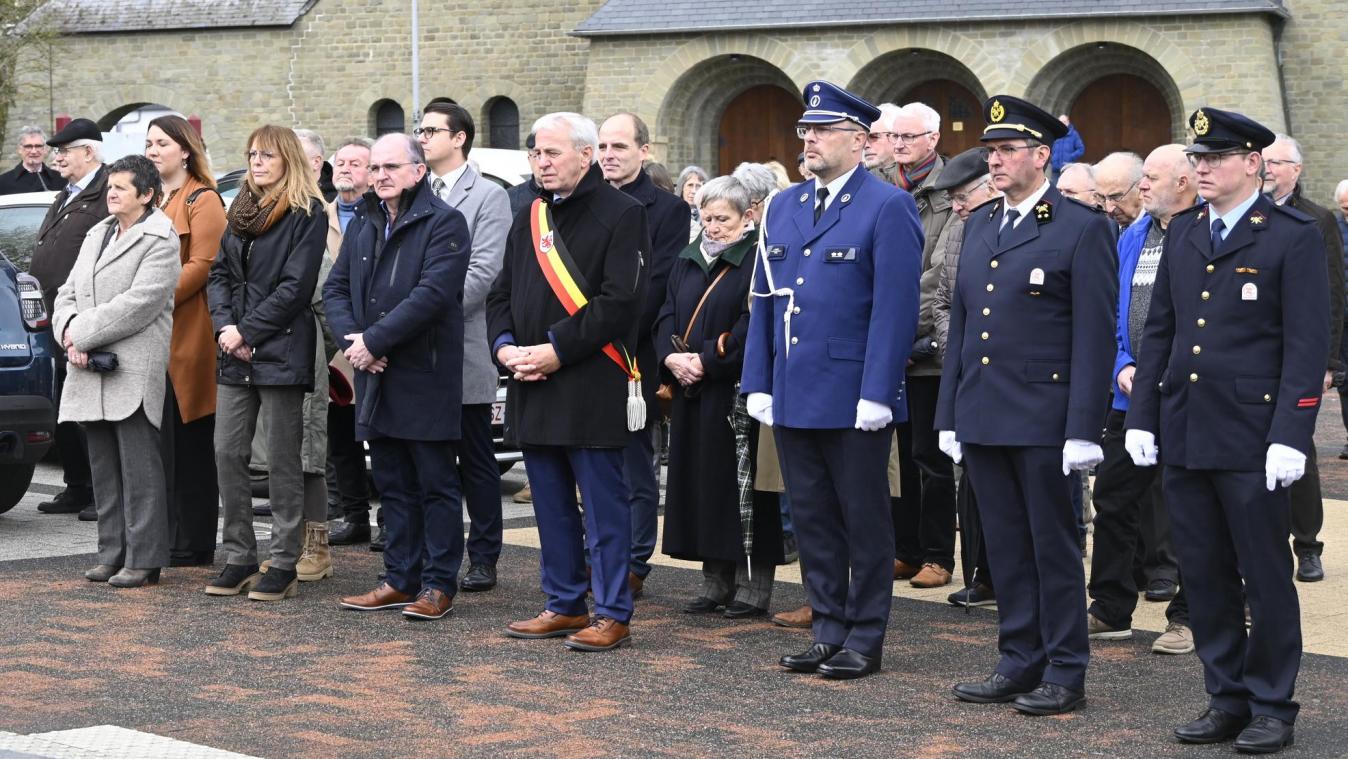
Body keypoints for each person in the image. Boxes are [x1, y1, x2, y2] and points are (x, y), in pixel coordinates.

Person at [1125, 107, 1325, 755]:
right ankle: (1226, 696)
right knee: (1205, 574)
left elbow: (1306, 344)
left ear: (1252, 163)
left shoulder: (1291, 235)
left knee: (1263, 576)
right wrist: (1143, 416)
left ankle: (1271, 703)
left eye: (1215, 159)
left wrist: (1291, 431)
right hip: (1186, 428)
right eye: (1198, 158)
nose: (1201, 169)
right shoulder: (1185, 231)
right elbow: (1161, 331)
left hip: (1252, 435)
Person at [938, 96, 1116, 715]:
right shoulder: (981, 222)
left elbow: (1094, 335)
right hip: (985, 412)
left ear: (1041, 155)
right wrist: (949, 415)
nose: (994, 161)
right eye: (989, 151)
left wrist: (1083, 427)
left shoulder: (1080, 226)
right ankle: (1018, 659)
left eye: (1007, 150)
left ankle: (1065, 669)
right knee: (1006, 546)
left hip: (1045, 418)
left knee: (1053, 547)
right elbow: (963, 326)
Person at [743, 81, 923, 680]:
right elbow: (765, 299)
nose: (810, 140)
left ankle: (865, 635)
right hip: (793, 387)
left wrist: (879, 392)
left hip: (852, 393)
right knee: (812, 517)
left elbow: (895, 309)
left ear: (860, 140)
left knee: (863, 520)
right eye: (806, 130)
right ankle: (827, 627)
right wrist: (758, 379)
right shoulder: (784, 205)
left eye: (823, 131)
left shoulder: (886, 205)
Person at [489, 112, 649, 652]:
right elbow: (501, 293)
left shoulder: (623, 213)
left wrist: (555, 349)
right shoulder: (530, 214)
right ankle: (563, 602)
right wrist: (504, 346)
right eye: (536, 153)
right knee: (551, 505)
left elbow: (621, 302)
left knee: (603, 509)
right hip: (531, 378)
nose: (542, 162)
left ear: (585, 155)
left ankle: (612, 612)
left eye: (552, 153)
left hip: (590, 382)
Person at [327, 133, 471, 621]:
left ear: (418, 171)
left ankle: (438, 583)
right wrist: (356, 343)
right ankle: (399, 578)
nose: (381, 175)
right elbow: (336, 288)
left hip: (423, 373)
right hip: (374, 372)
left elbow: (432, 295)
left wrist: (374, 342)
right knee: (392, 483)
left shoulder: (444, 222)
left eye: (391, 167)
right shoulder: (366, 222)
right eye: (376, 168)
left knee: (435, 484)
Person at [204, 125, 326, 602]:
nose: (257, 162)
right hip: (234, 350)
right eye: (252, 154)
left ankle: (284, 560)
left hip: (281, 348)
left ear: (288, 159)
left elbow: (296, 288)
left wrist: (248, 331)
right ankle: (238, 555)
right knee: (227, 452)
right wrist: (224, 328)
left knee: (281, 459)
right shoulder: (239, 209)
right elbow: (219, 274)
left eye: (267, 155)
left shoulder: (306, 212)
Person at [1086, 144, 1196, 651]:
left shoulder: (1204, 233)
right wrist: (1122, 365)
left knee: (1190, 508)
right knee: (1113, 498)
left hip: (1187, 396)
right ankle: (1110, 608)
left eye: (1151, 177)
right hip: (1131, 396)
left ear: (1183, 182)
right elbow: (1113, 310)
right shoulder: (1134, 235)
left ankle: (1189, 617)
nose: (1143, 186)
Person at [53, 154, 180, 587]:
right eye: (110, 186)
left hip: (132, 369)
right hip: (89, 366)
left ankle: (144, 560)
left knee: (140, 471)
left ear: (146, 195)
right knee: (103, 469)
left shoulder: (160, 239)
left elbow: (138, 305)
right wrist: (68, 331)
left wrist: (78, 335)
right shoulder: (98, 232)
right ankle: (112, 553)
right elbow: (67, 292)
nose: (111, 193)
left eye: (121, 187)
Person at [659, 175, 783, 618]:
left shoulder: (757, 258)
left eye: (722, 219)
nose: (712, 227)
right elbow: (666, 312)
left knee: (744, 490)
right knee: (702, 488)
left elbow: (755, 322)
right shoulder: (687, 258)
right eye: (706, 217)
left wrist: (708, 359)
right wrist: (671, 358)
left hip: (734, 393)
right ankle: (715, 582)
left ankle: (753, 588)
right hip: (691, 392)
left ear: (747, 216)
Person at [418, 101, 512, 593]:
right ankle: (433, 555)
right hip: (416, 350)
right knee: (427, 463)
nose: (423, 137)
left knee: (475, 459)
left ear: (459, 138)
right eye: (420, 130)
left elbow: (485, 272)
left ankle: (484, 555)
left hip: (464, 344)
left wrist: (421, 310)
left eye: (432, 130)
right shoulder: (415, 191)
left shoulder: (489, 196)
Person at [598, 112, 691, 599]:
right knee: (593, 465)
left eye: (619, 146)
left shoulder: (668, 210)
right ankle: (598, 554)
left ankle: (634, 561)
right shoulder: (582, 200)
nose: (608, 155)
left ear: (644, 151)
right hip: (583, 352)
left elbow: (656, 283)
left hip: (631, 354)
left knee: (635, 464)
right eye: (602, 146)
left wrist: (601, 328)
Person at [144, 114, 226, 569]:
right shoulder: (154, 199)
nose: (153, 151)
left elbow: (204, 264)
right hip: (153, 338)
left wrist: (153, 299)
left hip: (188, 335)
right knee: (163, 446)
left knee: (191, 443)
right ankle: (168, 535)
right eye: (149, 144)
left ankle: (193, 541)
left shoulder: (203, 198)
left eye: (161, 143)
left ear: (185, 150)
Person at [1262, 133, 1345, 584]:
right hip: (1254, 355)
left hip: (1298, 356)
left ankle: (1308, 545)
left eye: (1277, 162)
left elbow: (1332, 294)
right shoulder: (1247, 214)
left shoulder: (1317, 219)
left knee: (1299, 449)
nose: (1268, 168)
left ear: (1297, 169)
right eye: (1264, 161)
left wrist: (1327, 363)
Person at [929, 147, 1001, 608]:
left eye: (962, 197)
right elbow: (944, 300)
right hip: (967, 372)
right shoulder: (960, 230)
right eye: (952, 199)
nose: (956, 207)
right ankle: (981, 574)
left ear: (989, 187)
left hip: (1011, 378)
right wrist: (957, 345)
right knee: (971, 483)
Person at [889, 100, 957, 590]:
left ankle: (937, 554)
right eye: (894, 136)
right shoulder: (881, 186)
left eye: (908, 136)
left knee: (930, 458)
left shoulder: (950, 192)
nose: (899, 144)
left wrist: (896, 329)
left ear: (933, 139)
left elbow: (938, 274)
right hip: (888, 347)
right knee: (895, 457)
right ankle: (904, 548)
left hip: (925, 347)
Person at [30, 118, 107, 521]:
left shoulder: (106, 192)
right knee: (64, 407)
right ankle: (77, 486)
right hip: (54, 318)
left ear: (89, 152)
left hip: (84, 318)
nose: (57, 158)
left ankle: (101, 492)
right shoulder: (67, 193)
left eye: (64, 151)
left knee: (88, 412)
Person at [325, 137, 376, 547]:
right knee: (341, 438)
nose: (345, 168)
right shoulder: (318, 215)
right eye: (340, 162)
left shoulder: (379, 216)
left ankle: (389, 518)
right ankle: (354, 514)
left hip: (375, 342)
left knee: (379, 435)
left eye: (356, 163)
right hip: (330, 346)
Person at [0, 126, 61, 194]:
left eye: (38, 146)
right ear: (19, 149)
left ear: (46, 149)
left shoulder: (60, 179)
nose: (33, 151)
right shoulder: (3, 182)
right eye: (28, 146)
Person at [1095, 151, 1145, 229]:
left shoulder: (1161, 228)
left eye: (1115, 197)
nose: (1108, 209)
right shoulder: (1100, 228)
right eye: (1102, 198)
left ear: (1141, 189)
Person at [863, 104, 899, 185]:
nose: (865, 145)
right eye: (863, 139)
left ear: (896, 137)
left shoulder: (921, 179)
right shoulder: (857, 182)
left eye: (874, 137)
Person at [677, 165, 708, 243]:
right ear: (682, 187)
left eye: (698, 186)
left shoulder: (709, 213)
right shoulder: (673, 211)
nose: (694, 191)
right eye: (690, 185)